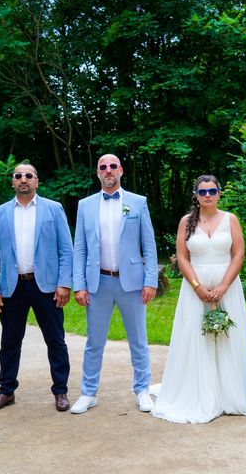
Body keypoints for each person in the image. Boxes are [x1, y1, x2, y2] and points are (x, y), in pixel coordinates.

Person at [151, 175, 246, 423]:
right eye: (202, 192)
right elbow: (182, 257)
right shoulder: (186, 222)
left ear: (219, 193)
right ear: (196, 195)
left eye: (212, 191)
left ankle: (229, 395)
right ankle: (199, 393)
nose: (207, 195)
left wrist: (223, 285)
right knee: (196, 338)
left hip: (227, 285)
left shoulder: (230, 219)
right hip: (194, 287)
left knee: (227, 338)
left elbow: (239, 254)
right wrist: (197, 286)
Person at [70, 154, 158, 414]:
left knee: (138, 340)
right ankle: (88, 393)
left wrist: (150, 280)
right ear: (97, 173)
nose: (108, 171)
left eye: (112, 166)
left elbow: (149, 245)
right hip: (98, 283)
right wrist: (79, 284)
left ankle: (142, 390)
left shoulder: (137, 203)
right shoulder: (85, 205)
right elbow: (79, 249)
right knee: (94, 342)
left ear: (121, 170)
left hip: (131, 283)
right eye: (102, 167)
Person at [0, 163, 73, 412]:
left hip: (46, 286)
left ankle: (61, 391)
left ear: (37, 180)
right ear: (12, 181)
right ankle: (6, 390)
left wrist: (64, 283)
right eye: (18, 176)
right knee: (9, 342)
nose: (23, 179)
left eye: (28, 175)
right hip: (12, 288)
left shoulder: (53, 209)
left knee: (55, 340)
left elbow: (66, 250)